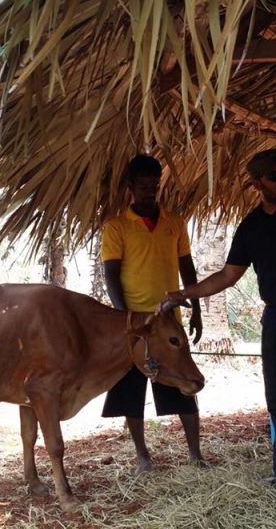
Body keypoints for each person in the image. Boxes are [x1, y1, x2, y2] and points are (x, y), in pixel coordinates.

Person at [161, 148, 276, 492]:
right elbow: (229, 275)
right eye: (275, 176)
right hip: (274, 320)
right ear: (257, 183)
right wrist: (185, 294)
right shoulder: (251, 226)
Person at [101, 154, 205, 473]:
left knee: (183, 382)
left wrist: (196, 308)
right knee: (132, 392)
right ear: (131, 187)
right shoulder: (116, 227)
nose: (150, 190)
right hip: (134, 320)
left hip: (169, 317)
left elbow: (187, 268)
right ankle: (143, 457)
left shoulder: (175, 222)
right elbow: (111, 275)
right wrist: (125, 321)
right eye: (144, 185)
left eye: (155, 185)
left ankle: (195, 454)